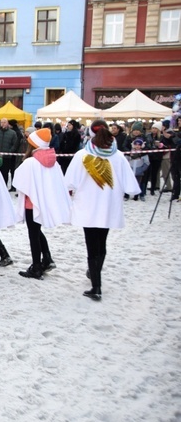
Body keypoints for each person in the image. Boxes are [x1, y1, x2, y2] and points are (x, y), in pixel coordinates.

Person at [65, 120, 140, 300]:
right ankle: (95, 274)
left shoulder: (82, 155)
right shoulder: (119, 156)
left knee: (92, 245)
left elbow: (68, 182)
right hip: (109, 206)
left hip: (88, 206)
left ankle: (96, 286)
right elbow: (132, 186)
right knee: (102, 243)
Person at [12, 128, 71, 279]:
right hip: (44, 201)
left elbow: (18, 180)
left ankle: (37, 266)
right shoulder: (53, 162)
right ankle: (47, 258)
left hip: (31, 203)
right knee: (36, 232)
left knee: (33, 234)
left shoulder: (31, 162)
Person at [0, 118, 18, 190]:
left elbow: (15, 144)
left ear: (7, 123)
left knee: (5, 172)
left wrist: (10, 151)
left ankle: (4, 187)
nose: (2, 124)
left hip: (7, 156)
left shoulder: (12, 133)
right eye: (1, 122)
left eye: (4, 122)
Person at [144, 121, 164, 195]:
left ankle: (152, 189)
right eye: (153, 128)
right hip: (149, 156)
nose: (154, 130)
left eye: (155, 128)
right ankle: (144, 189)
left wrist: (160, 145)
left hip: (157, 157)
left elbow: (163, 147)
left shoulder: (161, 137)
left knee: (154, 174)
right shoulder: (148, 136)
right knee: (146, 173)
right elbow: (146, 145)